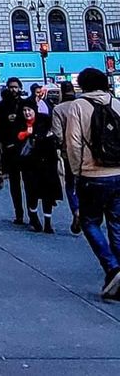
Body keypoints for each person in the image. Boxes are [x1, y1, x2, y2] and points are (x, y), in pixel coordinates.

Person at [65, 66, 120, 297]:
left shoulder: (78, 106)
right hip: (118, 173)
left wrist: (78, 172)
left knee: (89, 222)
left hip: (92, 175)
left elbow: (73, 144)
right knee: (117, 224)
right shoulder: (117, 103)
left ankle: (112, 267)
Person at [17, 104, 62, 232]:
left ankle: (48, 223)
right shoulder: (20, 124)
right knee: (32, 193)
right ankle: (34, 218)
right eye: (24, 110)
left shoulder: (44, 123)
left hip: (46, 166)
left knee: (47, 195)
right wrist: (26, 134)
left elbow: (51, 149)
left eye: (29, 110)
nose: (27, 113)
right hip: (29, 166)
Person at [0, 76, 29, 225]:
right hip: (10, 148)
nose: (13, 89)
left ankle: (31, 210)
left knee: (29, 183)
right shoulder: (2, 106)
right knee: (15, 183)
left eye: (15, 87)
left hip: (25, 148)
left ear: (20, 88)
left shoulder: (25, 104)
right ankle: (19, 213)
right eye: (11, 87)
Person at [52, 80, 81, 234]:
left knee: (70, 183)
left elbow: (57, 133)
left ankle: (76, 209)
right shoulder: (82, 106)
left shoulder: (58, 109)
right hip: (87, 151)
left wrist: (61, 144)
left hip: (68, 151)